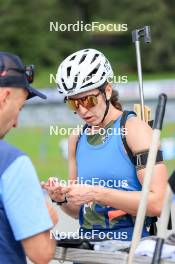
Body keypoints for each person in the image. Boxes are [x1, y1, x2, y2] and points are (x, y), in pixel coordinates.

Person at [43, 48, 168, 241]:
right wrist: (61, 198)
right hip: (89, 250)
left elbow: (157, 203)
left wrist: (96, 193)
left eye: (89, 100)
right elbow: (78, 211)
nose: (83, 111)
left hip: (130, 249)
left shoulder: (134, 129)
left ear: (107, 91)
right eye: (74, 104)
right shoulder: (76, 138)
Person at [0, 52, 58, 264]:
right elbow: (41, 254)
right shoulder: (12, 162)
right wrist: (48, 222)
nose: (16, 123)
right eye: (20, 108)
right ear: (5, 97)